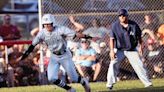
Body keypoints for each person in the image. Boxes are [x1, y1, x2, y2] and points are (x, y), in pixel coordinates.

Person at [19, 14, 92, 92]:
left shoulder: (61, 29)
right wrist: (24, 56)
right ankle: (69, 89)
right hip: (54, 56)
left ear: (53, 23)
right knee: (51, 78)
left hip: (65, 55)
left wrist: (89, 37)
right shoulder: (42, 33)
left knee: (74, 78)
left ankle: (84, 82)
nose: (47, 26)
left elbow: (75, 35)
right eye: (45, 24)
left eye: (49, 24)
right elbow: (32, 45)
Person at [106, 9, 152, 90]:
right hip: (119, 50)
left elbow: (139, 37)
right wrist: (112, 50)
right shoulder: (115, 26)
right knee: (113, 64)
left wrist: (141, 46)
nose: (122, 17)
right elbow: (111, 39)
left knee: (139, 65)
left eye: (123, 15)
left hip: (131, 49)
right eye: (120, 16)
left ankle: (147, 83)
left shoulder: (134, 25)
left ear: (127, 16)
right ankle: (109, 84)